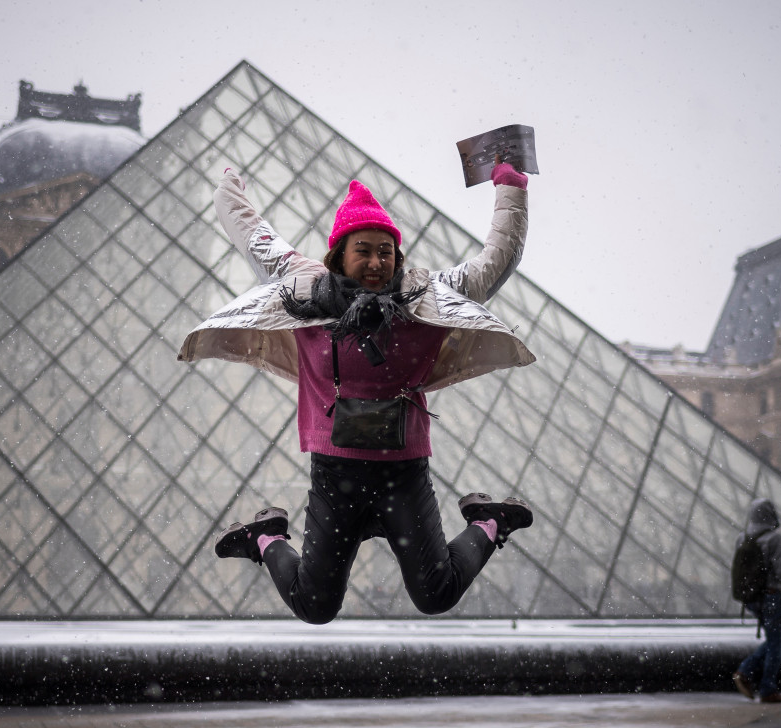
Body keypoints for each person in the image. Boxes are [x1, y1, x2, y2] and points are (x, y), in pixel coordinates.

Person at [177, 161, 537, 624]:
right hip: (335, 474)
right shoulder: (302, 291)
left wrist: (512, 186)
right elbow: (253, 236)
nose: (375, 262)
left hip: (403, 474)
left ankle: (491, 522)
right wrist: (228, 186)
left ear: (398, 256)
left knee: (436, 593)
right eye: (362, 250)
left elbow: (497, 260)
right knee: (315, 606)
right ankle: (265, 538)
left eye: (386, 251)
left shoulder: (428, 295)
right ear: (338, 255)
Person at [732, 498, 781, 703]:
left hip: (752, 598)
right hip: (771, 595)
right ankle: (765, 686)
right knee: (776, 644)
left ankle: (749, 674)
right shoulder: (774, 537)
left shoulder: (742, 537)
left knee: (774, 640)